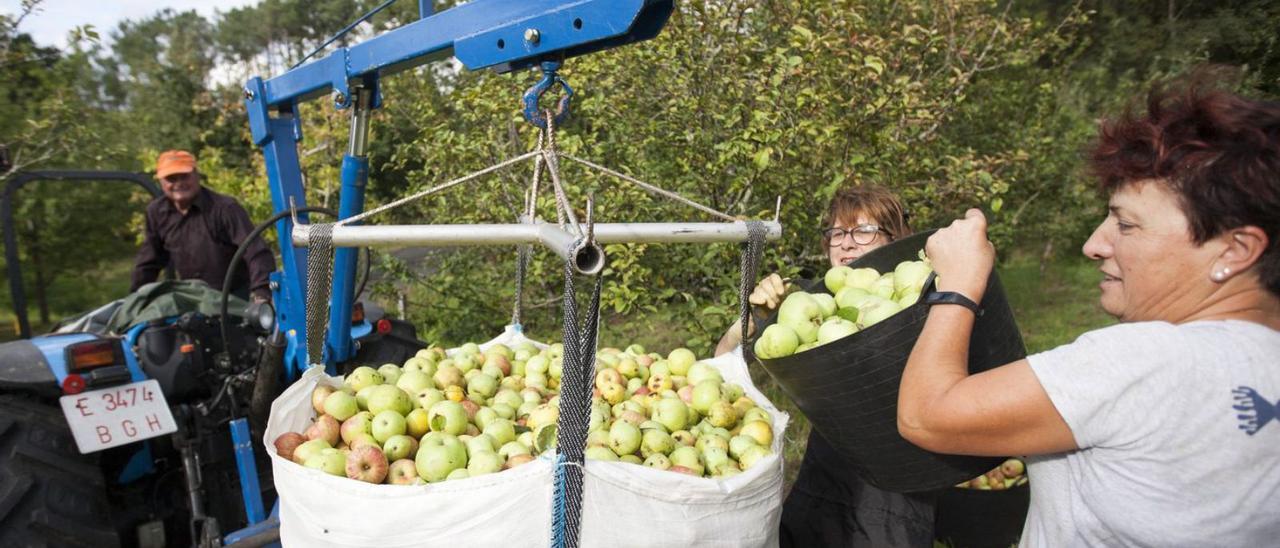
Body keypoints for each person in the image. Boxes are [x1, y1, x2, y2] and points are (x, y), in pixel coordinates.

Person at [897, 75, 1280, 546]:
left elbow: (924, 416)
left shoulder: (1146, 360)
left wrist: (958, 285)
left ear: (1234, 249)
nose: (1094, 244)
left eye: (1126, 224)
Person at [715, 184, 936, 547]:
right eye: (837, 232)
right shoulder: (810, 302)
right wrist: (749, 323)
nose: (846, 243)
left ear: (896, 238)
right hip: (822, 482)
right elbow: (723, 365)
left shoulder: (917, 303)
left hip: (895, 494)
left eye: (863, 231)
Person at [132, 150, 275, 303]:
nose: (179, 184)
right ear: (161, 182)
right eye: (171, 179)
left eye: (184, 176)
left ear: (196, 175)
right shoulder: (157, 212)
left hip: (233, 297)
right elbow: (150, 260)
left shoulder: (224, 208)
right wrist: (136, 300)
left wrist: (261, 293)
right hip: (192, 298)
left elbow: (255, 251)